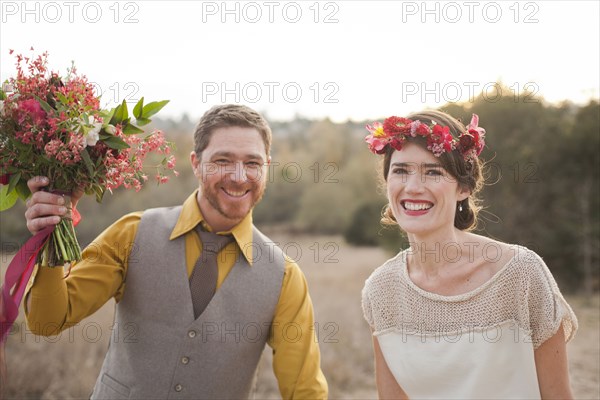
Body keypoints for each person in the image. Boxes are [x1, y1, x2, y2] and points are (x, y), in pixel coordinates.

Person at [23, 104, 328, 399]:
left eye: (252, 163)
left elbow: (305, 392)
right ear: (196, 163)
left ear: (267, 167)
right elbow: (46, 321)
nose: (239, 176)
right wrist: (52, 232)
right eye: (223, 160)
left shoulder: (284, 277)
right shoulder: (131, 234)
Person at [361, 110, 577, 399]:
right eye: (401, 170)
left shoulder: (521, 274)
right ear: (387, 181)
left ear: (463, 187)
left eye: (433, 172)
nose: (413, 187)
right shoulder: (381, 291)